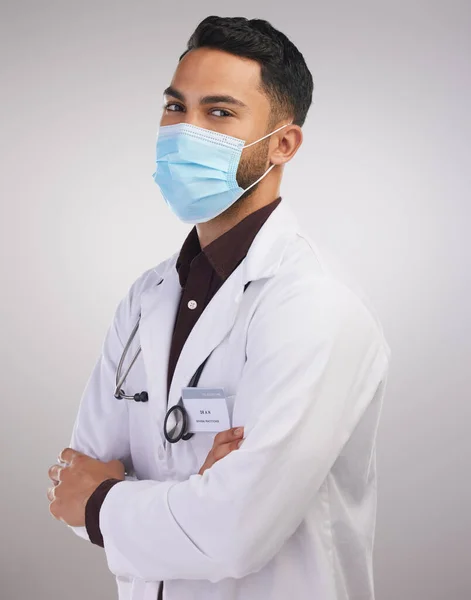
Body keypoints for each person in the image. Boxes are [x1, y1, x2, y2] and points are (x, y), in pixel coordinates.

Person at [47, 15, 390, 600]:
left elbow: (236, 532)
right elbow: (73, 484)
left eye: (220, 113)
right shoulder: (147, 296)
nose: (185, 131)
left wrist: (110, 501)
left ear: (283, 143)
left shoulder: (312, 303)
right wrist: (186, 491)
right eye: (176, 108)